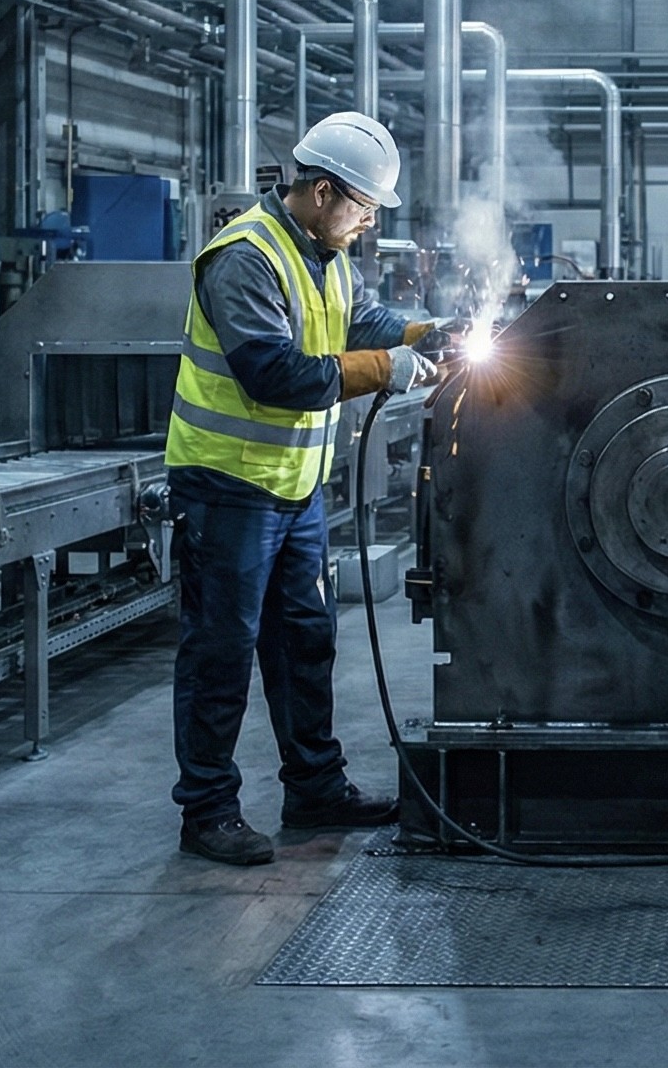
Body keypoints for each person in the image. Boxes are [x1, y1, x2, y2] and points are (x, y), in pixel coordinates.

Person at [163, 112, 451, 866]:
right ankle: (207, 811)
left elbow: (362, 322)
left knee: (304, 642)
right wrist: (383, 371)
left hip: (293, 493)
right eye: (362, 208)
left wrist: (427, 334)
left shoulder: (327, 255)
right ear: (323, 192)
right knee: (220, 652)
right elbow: (277, 374)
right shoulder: (245, 258)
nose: (367, 223)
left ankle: (315, 787)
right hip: (226, 487)